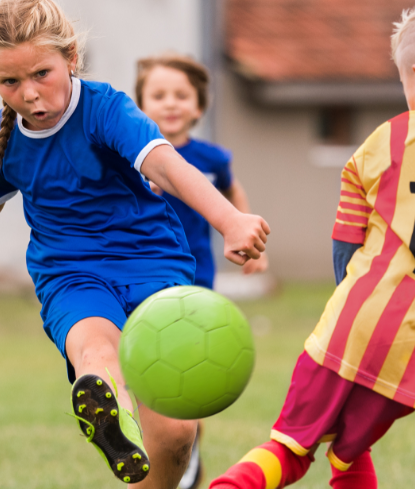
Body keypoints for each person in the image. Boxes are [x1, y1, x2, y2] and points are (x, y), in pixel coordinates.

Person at [0, 1, 270, 487]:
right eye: (10, 82)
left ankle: (131, 432)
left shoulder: (107, 111)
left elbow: (167, 165)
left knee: (175, 432)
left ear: (71, 58)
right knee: (95, 349)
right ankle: (105, 409)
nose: (30, 94)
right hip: (70, 273)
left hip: (151, 264)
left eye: (42, 73)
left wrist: (229, 219)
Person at [210, 1, 415, 488]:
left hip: (358, 328)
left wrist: (348, 305)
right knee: (347, 450)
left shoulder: (389, 139)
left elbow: (346, 244)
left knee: (292, 448)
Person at [134, 53, 269, 489]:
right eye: (158, 95)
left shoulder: (210, 158)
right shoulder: (132, 156)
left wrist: (252, 242)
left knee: (187, 379)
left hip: (196, 285)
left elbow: (233, 190)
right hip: (140, 279)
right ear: (140, 105)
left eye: (181, 96)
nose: (170, 103)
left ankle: (186, 457)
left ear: (198, 106)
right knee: (148, 372)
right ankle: (154, 444)